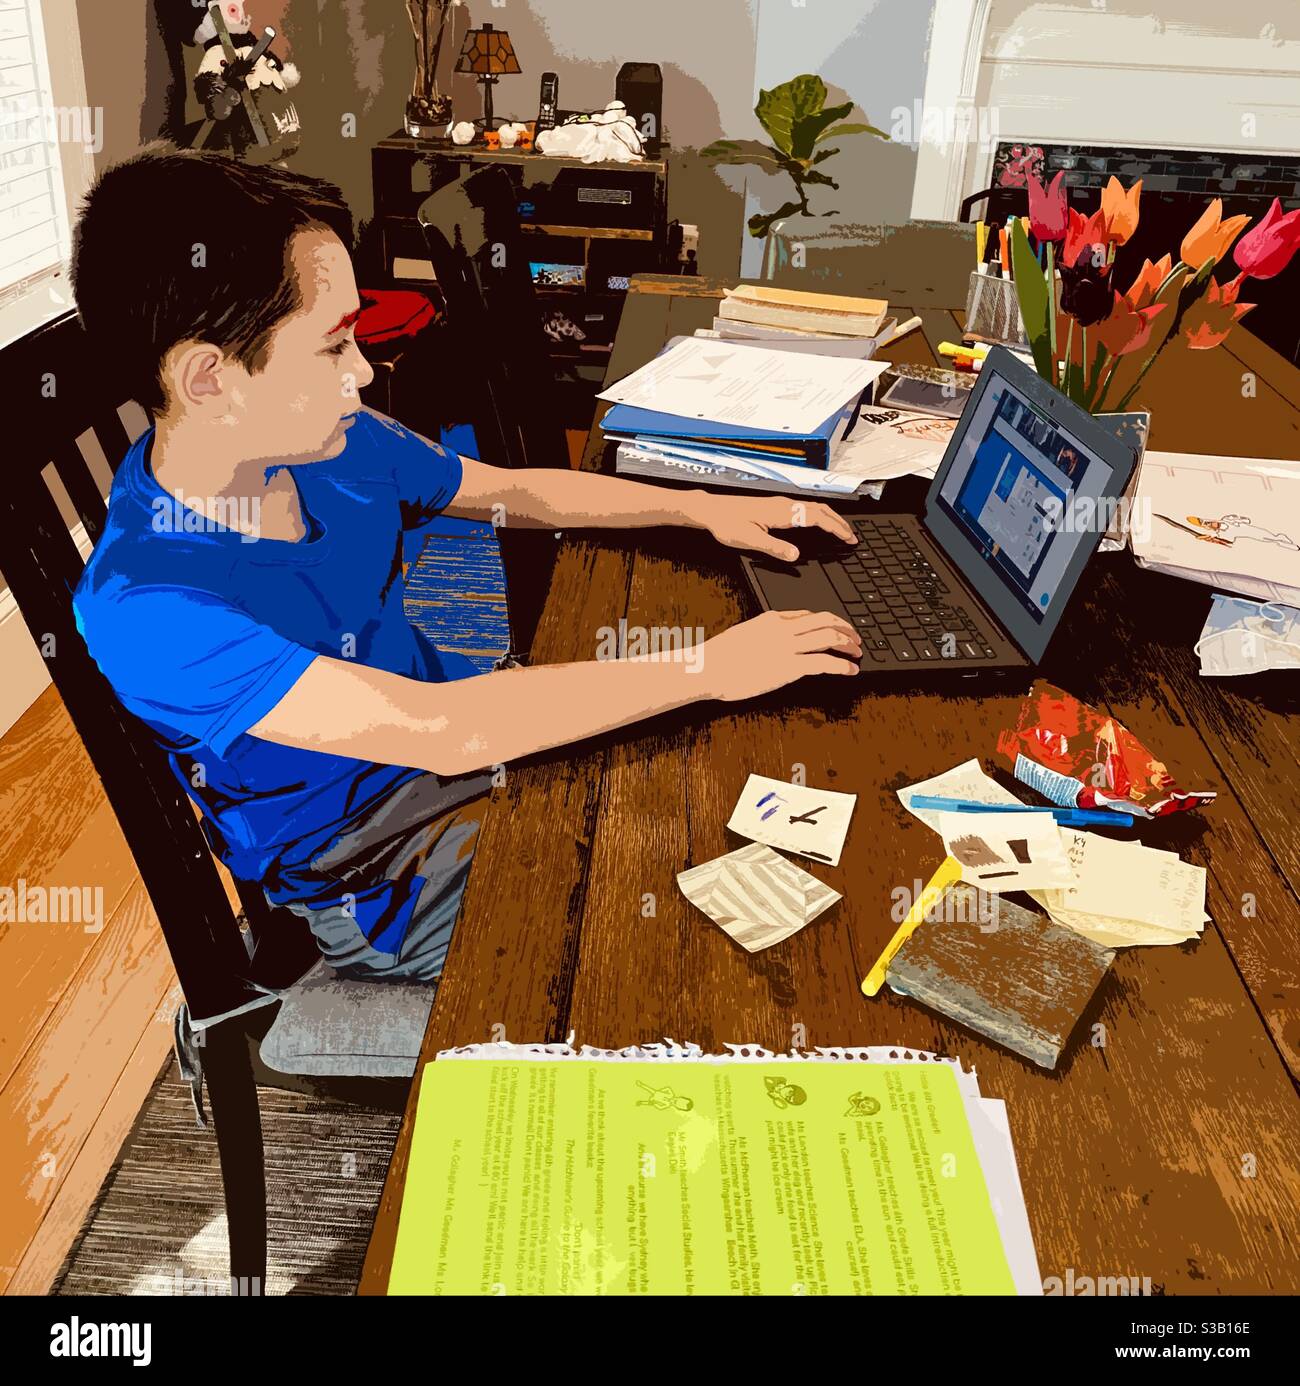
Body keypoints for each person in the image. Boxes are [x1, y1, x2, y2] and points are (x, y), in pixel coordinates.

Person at [71, 145, 862, 990]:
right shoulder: (148, 607)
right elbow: (445, 728)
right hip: (378, 868)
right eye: (333, 348)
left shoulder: (326, 446)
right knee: (676, 927)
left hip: (459, 751)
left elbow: (518, 492)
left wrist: (703, 507)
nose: (364, 372)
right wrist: (714, 665)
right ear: (209, 380)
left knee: (705, 783)